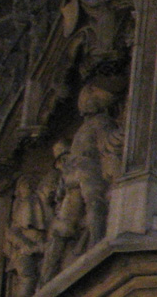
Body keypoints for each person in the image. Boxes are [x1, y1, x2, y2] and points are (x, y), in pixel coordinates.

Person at [40, 78, 124, 284]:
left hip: (71, 175)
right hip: (86, 169)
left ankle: (47, 277)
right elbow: (110, 144)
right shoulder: (101, 122)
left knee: (64, 225)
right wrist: (126, 129)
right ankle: (96, 243)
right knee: (95, 205)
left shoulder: (81, 129)